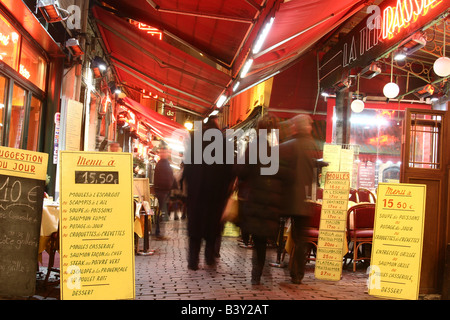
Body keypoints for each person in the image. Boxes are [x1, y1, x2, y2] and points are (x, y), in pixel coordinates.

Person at [236, 116, 291, 285]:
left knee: (258, 239)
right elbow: (282, 175)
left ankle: (257, 272)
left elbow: (242, 171)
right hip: (271, 199)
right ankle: (261, 269)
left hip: (255, 198)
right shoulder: (276, 149)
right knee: (264, 238)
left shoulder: (254, 147)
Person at [183, 116, 233, 270]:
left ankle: (193, 261)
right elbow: (229, 172)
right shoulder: (224, 144)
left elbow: (188, 168)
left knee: (195, 230)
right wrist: (226, 192)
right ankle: (209, 258)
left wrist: (189, 188)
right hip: (216, 195)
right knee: (212, 228)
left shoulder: (195, 143)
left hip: (196, 194)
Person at [279, 114, 319, 284]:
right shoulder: (311, 145)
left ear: (295, 127)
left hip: (286, 198)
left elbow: (277, 172)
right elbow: (314, 174)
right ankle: (297, 273)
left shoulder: (286, 146)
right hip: (303, 199)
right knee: (301, 238)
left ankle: (277, 264)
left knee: (281, 233)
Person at [153, 146, 175, 240]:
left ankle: (159, 232)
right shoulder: (161, 163)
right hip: (161, 191)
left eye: (165, 152)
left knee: (162, 212)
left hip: (164, 191)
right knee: (162, 212)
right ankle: (159, 233)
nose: (163, 154)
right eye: (162, 152)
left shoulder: (165, 163)